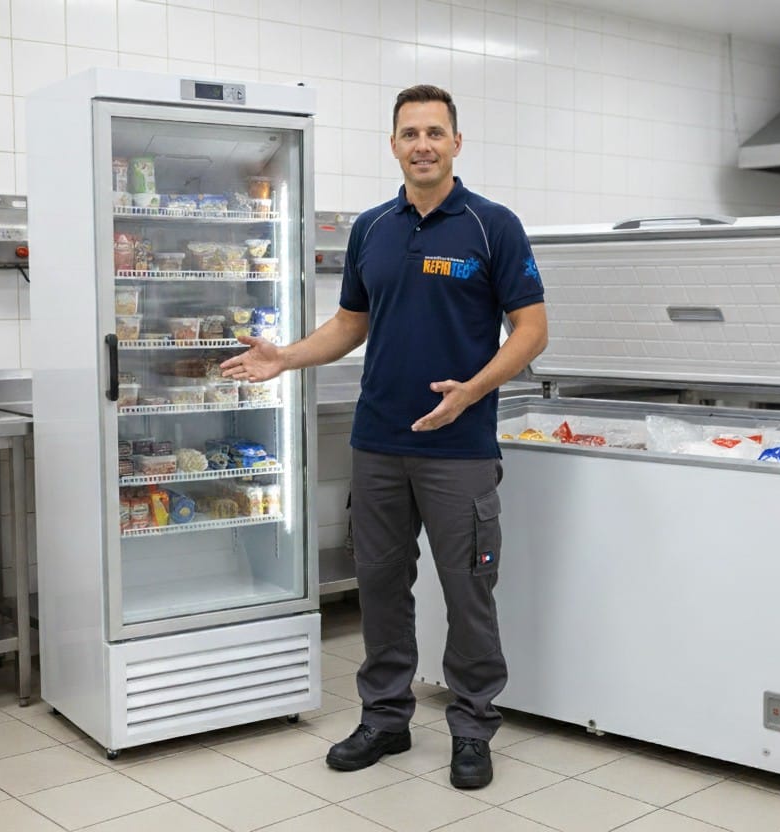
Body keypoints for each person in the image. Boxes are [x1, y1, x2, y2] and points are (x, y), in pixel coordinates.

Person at [220, 84, 548, 789]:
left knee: (467, 591)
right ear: (393, 145)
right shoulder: (372, 228)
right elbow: (350, 324)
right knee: (380, 586)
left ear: (456, 142)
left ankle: (472, 726)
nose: (422, 145)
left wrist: (472, 391)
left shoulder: (493, 225)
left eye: (434, 132)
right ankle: (385, 718)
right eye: (409, 133)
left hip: (458, 447)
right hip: (377, 443)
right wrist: (284, 357)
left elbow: (531, 330)